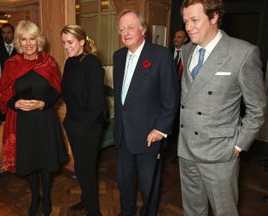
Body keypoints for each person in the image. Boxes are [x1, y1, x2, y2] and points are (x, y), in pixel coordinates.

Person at [178, 0, 267, 216]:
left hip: (219, 154)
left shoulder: (242, 53)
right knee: (193, 211)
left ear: (215, 16)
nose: (188, 27)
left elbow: (258, 108)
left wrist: (237, 146)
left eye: (195, 20)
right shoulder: (187, 50)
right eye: (185, 21)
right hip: (185, 150)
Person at [0, 20, 68, 216]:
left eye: (32, 39)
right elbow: (2, 93)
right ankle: (35, 195)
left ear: (38, 41)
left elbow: (57, 90)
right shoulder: (11, 64)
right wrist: (15, 104)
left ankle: (46, 197)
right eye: (23, 39)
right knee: (28, 163)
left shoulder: (48, 62)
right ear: (18, 42)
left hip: (45, 119)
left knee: (46, 162)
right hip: (23, 122)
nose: (28, 44)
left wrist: (43, 103)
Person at [113, 9, 179, 215]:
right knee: (124, 184)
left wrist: (161, 129)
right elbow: (122, 99)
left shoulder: (160, 55)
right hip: (123, 134)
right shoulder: (118, 56)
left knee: (148, 187)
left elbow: (171, 98)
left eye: (130, 27)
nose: (125, 32)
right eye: (121, 29)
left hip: (149, 136)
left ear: (143, 29)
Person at [61, 24, 106, 216]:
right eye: (64, 43)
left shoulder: (92, 63)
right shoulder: (70, 62)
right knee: (80, 167)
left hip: (88, 126)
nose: (66, 46)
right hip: (73, 123)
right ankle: (85, 200)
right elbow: (69, 93)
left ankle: (94, 211)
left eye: (70, 42)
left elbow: (97, 103)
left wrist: (82, 127)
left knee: (86, 170)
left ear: (81, 41)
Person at [0, 23, 17, 122]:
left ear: (13, 33)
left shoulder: (20, 46)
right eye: (3, 33)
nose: (6, 35)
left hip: (17, 84)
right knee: (6, 113)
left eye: (9, 32)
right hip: (5, 85)